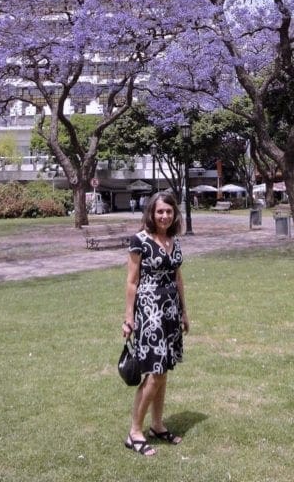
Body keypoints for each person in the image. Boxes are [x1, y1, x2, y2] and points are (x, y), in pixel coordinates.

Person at [122, 191, 190, 457]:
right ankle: (134, 432)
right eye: (160, 211)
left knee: (164, 371)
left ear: (175, 215)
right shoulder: (139, 241)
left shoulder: (173, 241)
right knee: (156, 372)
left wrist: (184, 312)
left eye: (169, 212)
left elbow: (178, 279)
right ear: (151, 213)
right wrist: (129, 317)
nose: (164, 216)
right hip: (150, 313)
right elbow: (131, 281)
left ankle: (157, 425)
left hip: (171, 311)